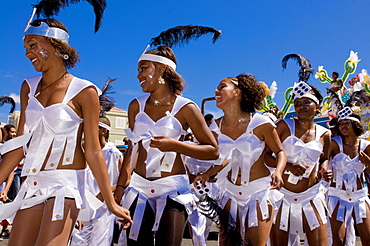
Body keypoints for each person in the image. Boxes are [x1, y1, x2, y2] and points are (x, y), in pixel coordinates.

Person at [0, 18, 131, 246]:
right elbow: (19, 146)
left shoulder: (84, 90)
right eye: (25, 48)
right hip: (32, 185)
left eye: (33, 45)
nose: (27, 53)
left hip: (65, 186)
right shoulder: (27, 87)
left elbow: (92, 151)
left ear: (57, 45)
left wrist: (110, 202)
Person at [114, 45, 219, 246]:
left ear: (162, 69)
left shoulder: (186, 107)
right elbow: (132, 151)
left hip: (173, 190)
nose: (138, 76)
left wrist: (175, 145)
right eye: (138, 70)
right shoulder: (136, 106)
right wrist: (121, 186)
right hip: (139, 188)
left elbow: (212, 151)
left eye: (144, 68)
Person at [194, 74, 287, 246]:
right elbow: (224, 160)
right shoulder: (215, 127)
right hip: (229, 194)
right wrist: (207, 175)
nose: (216, 91)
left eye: (222, 86)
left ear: (238, 92)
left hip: (258, 194)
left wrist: (279, 172)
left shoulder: (261, 123)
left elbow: (280, 151)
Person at [265, 82, 331, 246]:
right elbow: (265, 156)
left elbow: (324, 158)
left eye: (306, 102)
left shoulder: (325, 134)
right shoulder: (283, 126)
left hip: (312, 196)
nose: (301, 107)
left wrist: (324, 169)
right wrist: (288, 167)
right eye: (297, 104)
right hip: (283, 196)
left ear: (317, 105)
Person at [70, 116, 123, 246]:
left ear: (103, 130)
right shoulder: (81, 151)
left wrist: (105, 192)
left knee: (100, 242)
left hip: (104, 206)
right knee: (78, 242)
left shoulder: (113, 153)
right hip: (83, 205)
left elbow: (124, 181)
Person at [327, 108, 370, 245]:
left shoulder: (366, 146)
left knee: (368, 238)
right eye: (340, 124)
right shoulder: (334, 143)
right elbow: (323, 160)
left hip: (359, 197)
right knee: (338, 240)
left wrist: (368, 163)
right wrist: (323, 170)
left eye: (347, 123)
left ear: (356, 124)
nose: (343, 126)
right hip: (337, 197)